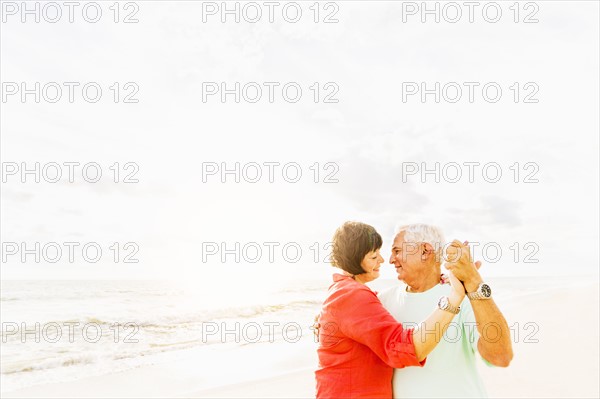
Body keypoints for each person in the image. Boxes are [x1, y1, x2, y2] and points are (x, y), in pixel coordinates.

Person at [315, 221, 480, 399]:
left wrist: (438, 280)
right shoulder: (352, 296)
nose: (383, 260)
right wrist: (454, 297)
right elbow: (405, 348)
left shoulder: (349, 294)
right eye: (373, 255)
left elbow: (364, 311)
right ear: (355, 257)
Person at [378, 224, 513, 398]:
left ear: (425, 251)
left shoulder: (463, 297)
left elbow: (501, 357)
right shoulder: (383, 300)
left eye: (397, 251)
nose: (391, 259)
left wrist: (474, 281)